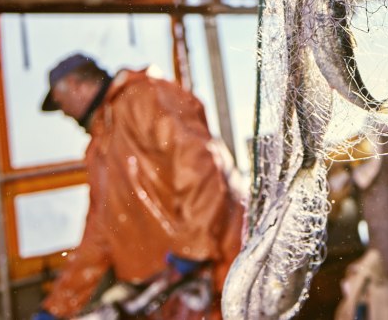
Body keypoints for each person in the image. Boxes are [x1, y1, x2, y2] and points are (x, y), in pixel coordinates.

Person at [32, 53, 245, 319]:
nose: (65, 113)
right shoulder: (99, 149)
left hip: (220, 277)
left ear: (77, 85)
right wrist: (58, 306)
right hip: (171, 293)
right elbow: (99, 233)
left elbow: (199, 168)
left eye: (61, 103)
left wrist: (192, 248)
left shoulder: (145, 97)